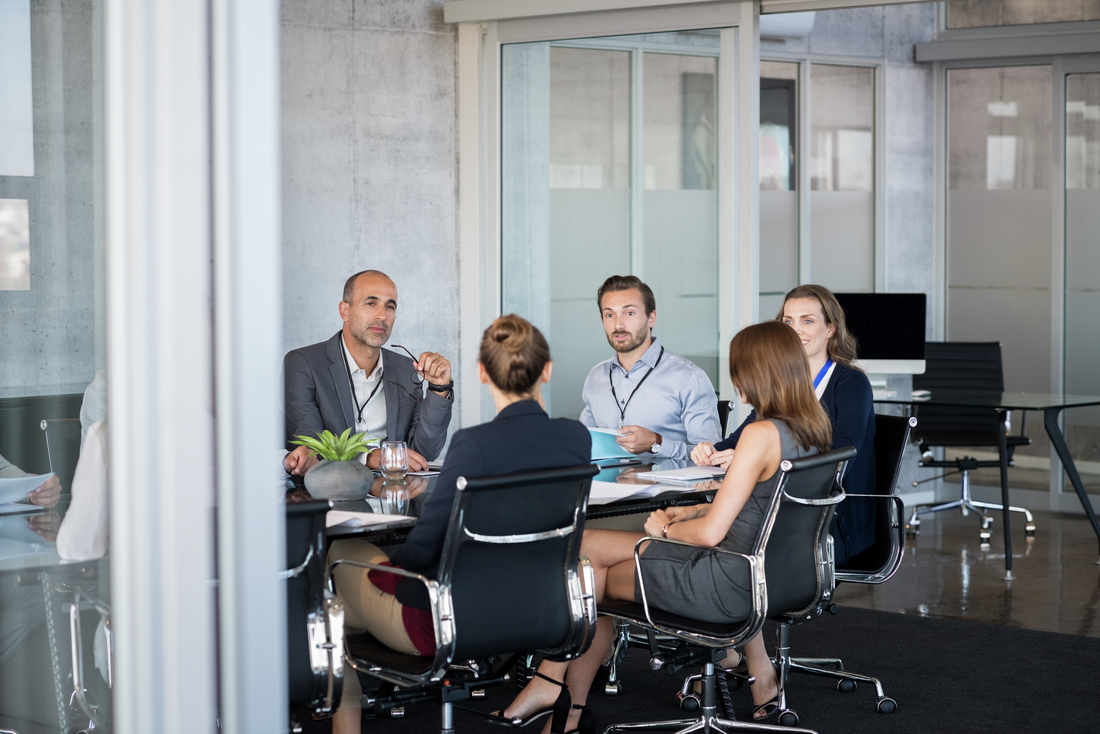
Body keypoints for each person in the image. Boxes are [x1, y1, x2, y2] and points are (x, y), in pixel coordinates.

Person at [501, 321, 833, 731]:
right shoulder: (813, 429)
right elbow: (758, 508)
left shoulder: (760, 433)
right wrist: (690, 514)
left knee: (588, 572)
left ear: (759, 371)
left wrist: (666, 530)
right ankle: (557, 698)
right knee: (585, 553)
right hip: (772, 577)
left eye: (738, 369)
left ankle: (557, 695)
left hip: (723, 581)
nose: (734, 380)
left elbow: (712, 534)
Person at [326, 314, 590, 734]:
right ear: (547, 370)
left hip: (451, 622)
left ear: (483, 373)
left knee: (338, 560)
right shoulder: (576, 438)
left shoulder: (473, 446)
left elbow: (424, 549)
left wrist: (390, 568)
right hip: (541, 616)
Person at [692, 284, 876, 562]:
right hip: (781, 511)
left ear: (831, 329)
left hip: (831, 518)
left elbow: (841, 457)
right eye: (788, 321)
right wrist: (710, 452)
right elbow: (738, 440)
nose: (796, 330)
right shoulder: (782, 386)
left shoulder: (850, 382)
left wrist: (751, 464)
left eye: (808, 321)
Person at [283, 270, 454, 475]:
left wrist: (439, 389)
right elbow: (309, 450)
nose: (382, 315)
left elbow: (424, 453)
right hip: (331, 495)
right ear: (344, 311)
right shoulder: (303, 363)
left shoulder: (405, 367)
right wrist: (368, 457)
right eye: (371, 303)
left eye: (390, 306)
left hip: (395, 495)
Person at [580, 275, 721, 461]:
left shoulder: (688, 378)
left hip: (669, 489)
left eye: (629, 313)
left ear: (651, 318)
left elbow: (712, 456)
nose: (618, 325)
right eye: (609, 315)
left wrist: (656, 443)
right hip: (605, 486)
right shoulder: (595, 377)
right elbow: (582, 446)